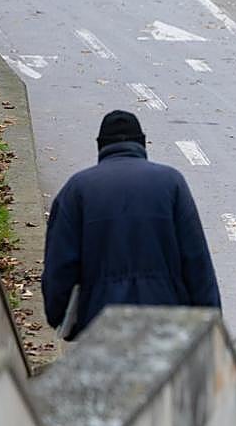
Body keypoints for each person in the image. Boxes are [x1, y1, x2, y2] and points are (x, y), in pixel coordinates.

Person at [42, 110, 221, 340]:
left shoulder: (77, 190)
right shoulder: (171, 183)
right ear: (142, 143)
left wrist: (60, 318)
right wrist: (210, 323)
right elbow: (197, 262)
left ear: (100, 146)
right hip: (167, 322)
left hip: (101, 324)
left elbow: (60, 267)